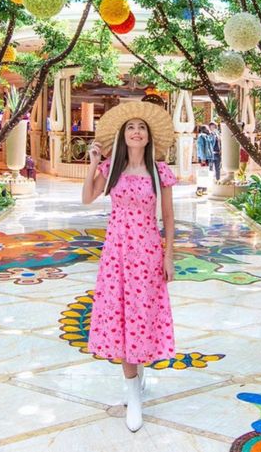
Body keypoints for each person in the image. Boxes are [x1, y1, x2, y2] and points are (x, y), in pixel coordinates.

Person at [81, 100, 177, 433]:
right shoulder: (112, 168)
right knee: (120, 314)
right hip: (116, 253)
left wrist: (168, 256)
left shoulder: (158, 171)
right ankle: (133, 390)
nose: (136, 132)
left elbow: (168, 218)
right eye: (131, 128)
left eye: (141, 128)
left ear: (148, 137)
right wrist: (92, 165)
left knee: (141, 313)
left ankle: (138, 374)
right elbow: (87, 198)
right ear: (124, 135)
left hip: (148, 252)